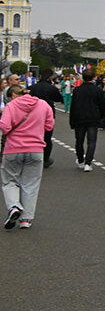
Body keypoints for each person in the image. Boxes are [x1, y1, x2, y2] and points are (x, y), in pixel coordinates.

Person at [2, 83, 54, 229]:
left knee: (10, 181)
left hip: (13, 149)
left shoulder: (11, 106)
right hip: (36, 149)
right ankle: (26, 219)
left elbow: (4, 126)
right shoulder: (43, 105)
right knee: (30, 184)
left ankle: (14, 207)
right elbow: (49, 126)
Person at [68, 68, 105, 171]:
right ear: (94, 77)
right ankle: (88, 163)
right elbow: (102, 105)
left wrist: (71, 121)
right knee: (92, 141)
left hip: (79, 118)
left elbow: (73, 106)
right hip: (93, 118)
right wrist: (102, 117)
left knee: (79, 141)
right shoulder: (97, 90)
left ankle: (80, 160)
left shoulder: (77, 90)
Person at [29, 69, 63, 169]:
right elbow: (58, 99)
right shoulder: (51, 88)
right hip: (48, 113)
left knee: (33, 136)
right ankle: (45, 159)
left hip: (33, 114)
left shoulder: (32, 88)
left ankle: (33, 157)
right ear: (51, 76)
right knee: (47, 138)